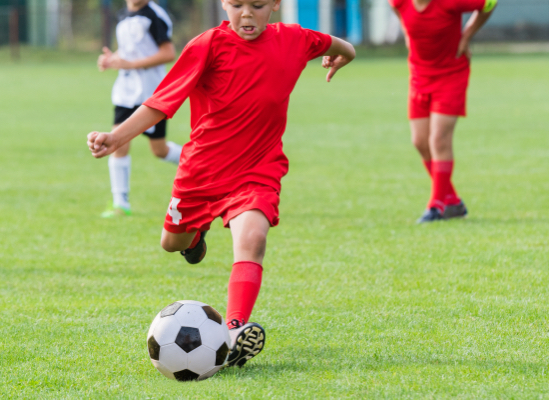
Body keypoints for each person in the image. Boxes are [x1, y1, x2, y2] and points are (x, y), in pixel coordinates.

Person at [87, 0, 355, 368]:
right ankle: (195, 238)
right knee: (172, 243)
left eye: (258, 5)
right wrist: (116, 137)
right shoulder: (207, 45)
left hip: (257, 168)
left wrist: (344, 55)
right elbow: (162, 102)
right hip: (202, 172)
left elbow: (341, 45)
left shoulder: (296, 39)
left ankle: (233, 331)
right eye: (236, 5)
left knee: (253, 238)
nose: (246, 14)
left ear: (275, 4)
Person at [390, 0, 497, 222]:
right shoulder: (398, 2)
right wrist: (407, 34)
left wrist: (467, 35)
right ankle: (453, 202)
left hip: (451, 74)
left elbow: (490, 3)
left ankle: (436, 206)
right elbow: (398, 12)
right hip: (419, 75)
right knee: (420, 141)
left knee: (439, 140)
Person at [97, 0, 182, 218]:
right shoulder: (123, 14)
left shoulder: (154, 16)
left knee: (159, 150)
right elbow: (131, 50)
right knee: (117, 143)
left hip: (151, 93)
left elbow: (168, 53)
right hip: (125, 93)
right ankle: (120, 203)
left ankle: (203, 165)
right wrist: (112, 59)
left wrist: (130, 64)